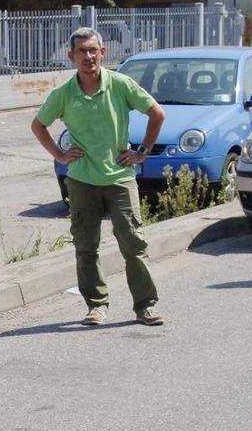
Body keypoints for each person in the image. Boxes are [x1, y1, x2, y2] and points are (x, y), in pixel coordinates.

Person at [31, 27, 167, 327]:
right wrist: (60, 155)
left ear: (103, 53)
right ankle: (96, 305)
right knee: (85, 246)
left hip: (120, 178)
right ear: (72, 56)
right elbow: (38, 125)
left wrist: (142, 151)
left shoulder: (120, 85)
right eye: (82, 51)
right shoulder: (64, 94)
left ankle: (145, 305)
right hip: (81, 180)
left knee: (133, 242)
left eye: (93, 50)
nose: (88, 56)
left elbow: (157, 114)